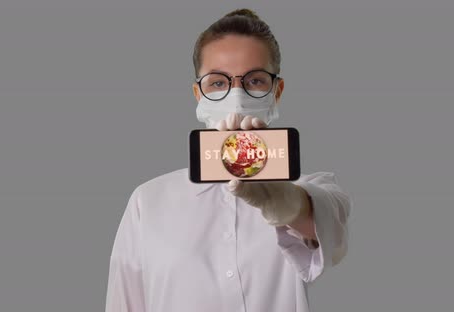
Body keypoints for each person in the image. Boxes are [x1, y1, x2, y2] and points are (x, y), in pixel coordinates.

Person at [105, 8, 351, 312]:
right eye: (218, 83)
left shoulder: (311, 189)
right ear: (198, 94)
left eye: (256, 80)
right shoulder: (148, 201)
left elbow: (331, 230)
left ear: (277, 91)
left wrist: (289, 204)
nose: (237, 95)